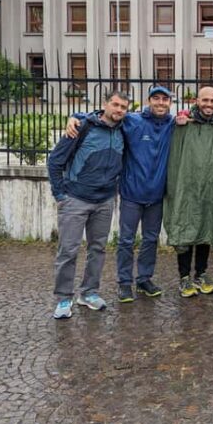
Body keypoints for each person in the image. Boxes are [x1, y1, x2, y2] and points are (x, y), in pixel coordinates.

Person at [65, 86, 181, 303]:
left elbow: (193, 117)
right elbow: (104, 117)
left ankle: (145, 278)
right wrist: (74, 116)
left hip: (156, 195)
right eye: (156, 99)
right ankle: (124, 282)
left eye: (165, 99)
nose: (160, 103)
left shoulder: (172, 124)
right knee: (126, 241)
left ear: (170, 103)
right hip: (131, 194)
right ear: (149, 101)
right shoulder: (133, 121)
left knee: (150, 239)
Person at [47, 90, 129, 319]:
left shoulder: (124, 129)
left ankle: (89, 292)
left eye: (123, 107)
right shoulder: (82, 126)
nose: (119, 110)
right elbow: (55, 161)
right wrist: (60, 195)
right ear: (105, 104)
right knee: (68, 250)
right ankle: (64, 298)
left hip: (105, 201)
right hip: (75, 199)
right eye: (115, 104)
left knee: (98, 249)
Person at [163, 86, 213, 298]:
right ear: (197, 100)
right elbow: (175, 156)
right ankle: (184, 277)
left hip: (211, 189)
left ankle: (201, 274)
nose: (209, 105)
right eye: (205, 100)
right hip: (187, 187)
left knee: (206, 229)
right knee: (186, 230)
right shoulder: (183, 125)